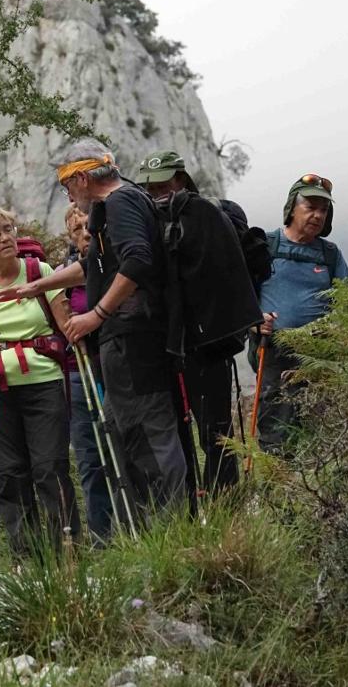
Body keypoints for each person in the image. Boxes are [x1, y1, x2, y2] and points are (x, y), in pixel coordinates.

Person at [0, 141, 189, 523]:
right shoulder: (116, 207)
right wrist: (39, 285)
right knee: (128, 433)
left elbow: (136, 260)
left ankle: (172, 532)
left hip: (136, 342)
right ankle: (153, 535)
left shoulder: (121, 203)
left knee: (149, 436)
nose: (66, 193)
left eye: (66, 184)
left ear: (83, 178)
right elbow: (96, 266)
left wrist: (95, 315)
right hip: (125, 344)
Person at [0, 206, 80, 557]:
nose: (6, 237)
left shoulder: (40, 271)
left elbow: (67, 325)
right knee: (8, 473)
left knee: (49, 468)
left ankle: (66, 551)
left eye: (9, 229)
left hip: (43, 383)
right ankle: (25, 555)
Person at [137, 150, 243, 494]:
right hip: (164, 344)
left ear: (181, 180)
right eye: (151, 187)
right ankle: (189, 506)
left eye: (165, 183)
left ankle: (225, 505)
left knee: (215, 434)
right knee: (176, 433)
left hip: (206, 344)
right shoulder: (148, 224)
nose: (158, 192)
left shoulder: (205, 217)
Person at [253, 174, 348, 453]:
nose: (317, 215)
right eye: (310, 206)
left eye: (323, 209)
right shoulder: (266, 245)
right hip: (273, 350)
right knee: (276, 424)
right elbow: (241, 296)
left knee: (320, 424)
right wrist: (255, 321)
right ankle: (278, 483)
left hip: (320, 353)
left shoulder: (330, 254)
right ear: (292, 208)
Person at [61, 203, 112, 543]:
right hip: (77, 371)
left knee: (121, 451)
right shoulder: (64, 274)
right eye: (77, 230)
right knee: (90, 459)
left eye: (89, 228)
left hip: (113, 367)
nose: (85, 235)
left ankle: (135, 528)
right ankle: (101, 538)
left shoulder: (113, 265)